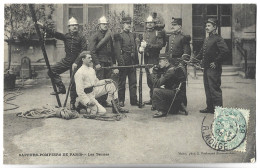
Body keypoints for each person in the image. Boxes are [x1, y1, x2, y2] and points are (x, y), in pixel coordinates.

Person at [38, 17, 87, 110]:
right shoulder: (66, 36)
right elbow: (55, 33)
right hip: (67, 60)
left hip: (77, 62)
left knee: (74, 83)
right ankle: (61, 87)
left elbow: (83, 51)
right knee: (51, 71)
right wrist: (43, 27)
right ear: (69, 27)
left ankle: (72, 103)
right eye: (72, 25)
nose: (74, 27)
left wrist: (76, 62)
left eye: (76, 25)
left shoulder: (81, 38)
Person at [193, 18, 229, 114]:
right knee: (207, 88)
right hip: (206, 68)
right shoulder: (208, 38)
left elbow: (225, 52)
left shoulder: (218, 38)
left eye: (209, 26)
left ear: (215, 27)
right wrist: (194, 59)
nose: (206, 28)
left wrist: (216, 62)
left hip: (214, 69)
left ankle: (218, 110)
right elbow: (202, 52)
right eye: (206, 26)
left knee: (214, 89)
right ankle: (210, 108)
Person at [88, 16, 117, 107]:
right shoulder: (95, 36)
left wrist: (114, 62)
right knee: (99, 82)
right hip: (100, 63)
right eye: (103, 24)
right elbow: (92, 51)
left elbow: (112, 50)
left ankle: (103, 101)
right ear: (99, 25)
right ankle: (98, 102)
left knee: (107, 82)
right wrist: (96, 63)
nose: (105, 25)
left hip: (108, 62)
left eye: (106, 24)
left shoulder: (109, 35)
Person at [113, 17, 139, 107]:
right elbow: (117, 51)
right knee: (122, 82)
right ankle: (121, 101)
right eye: (127, 23)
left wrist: (136, 62)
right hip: (124, 60)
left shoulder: (133, 35)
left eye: (130, 23)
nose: (129, 25)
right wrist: (121, 63)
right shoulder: (119, 35)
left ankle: (134, 100)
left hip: (132, 61)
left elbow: (135, 49)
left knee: (133, 82)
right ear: (122, 25)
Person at [166, 17, 191, 107]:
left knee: (181, 85)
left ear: (180, 26)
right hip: (171, 62)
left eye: (174, 25)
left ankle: (182, 104)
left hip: (179, 63)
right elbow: (167, 51)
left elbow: (187, 53)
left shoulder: (184, 38)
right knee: (171, 83)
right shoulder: (170, 37)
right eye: (172, 25)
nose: (172, 27)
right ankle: (173, 104)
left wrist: (182, 64)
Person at [139, 15, 164, 105]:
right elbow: (141, 45)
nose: (149, 24)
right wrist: (140, 49)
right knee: (149, 80)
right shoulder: (144, 34)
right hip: (146, 59)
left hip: (154, 59)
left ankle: (156, 101)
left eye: (151, 23)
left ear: (154, 24)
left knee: (155, 80)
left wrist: (148, 45)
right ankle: (152, 99)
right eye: (148, 23)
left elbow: (160, 46)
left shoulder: (158, 33)